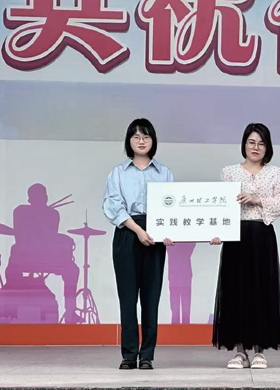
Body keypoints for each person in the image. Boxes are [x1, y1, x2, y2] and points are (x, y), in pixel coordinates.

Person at [210, 123, 280, 369]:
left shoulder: (275, 173)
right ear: (244, 144)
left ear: (268, 147)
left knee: (261, 290)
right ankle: (240, 351)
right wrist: (217, 232)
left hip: (262, 236)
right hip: (236, 238)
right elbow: (221, 206)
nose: (256, 147)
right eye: (252, 142)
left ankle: (260, 351)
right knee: (237, 291)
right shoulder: (229, 172)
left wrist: (257, 199)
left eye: (261, 143)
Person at [103, 118, 174, 370]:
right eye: (136, 137)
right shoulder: (118, 173)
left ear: (153, 141)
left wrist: (168, 231)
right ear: (129, 141)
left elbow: (172, 206)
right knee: (127, 297)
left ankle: (147, 355)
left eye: (146, 136)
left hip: (156, 235)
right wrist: (138, 230)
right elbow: (113, 206)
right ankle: (128, 354)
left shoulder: (164, 173)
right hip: (127, 232)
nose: (141, 141)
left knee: (151, 298)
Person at [5, 183, 80, 323]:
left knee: (12, 264)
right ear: (46, 198)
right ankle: (70, 312)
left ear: (29, 199)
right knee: (73, 270)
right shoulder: (51, 213)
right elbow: (45, 237)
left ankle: (10, 309)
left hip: (28, 259)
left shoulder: (21, 212)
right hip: (44, 260)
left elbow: (22, 237)